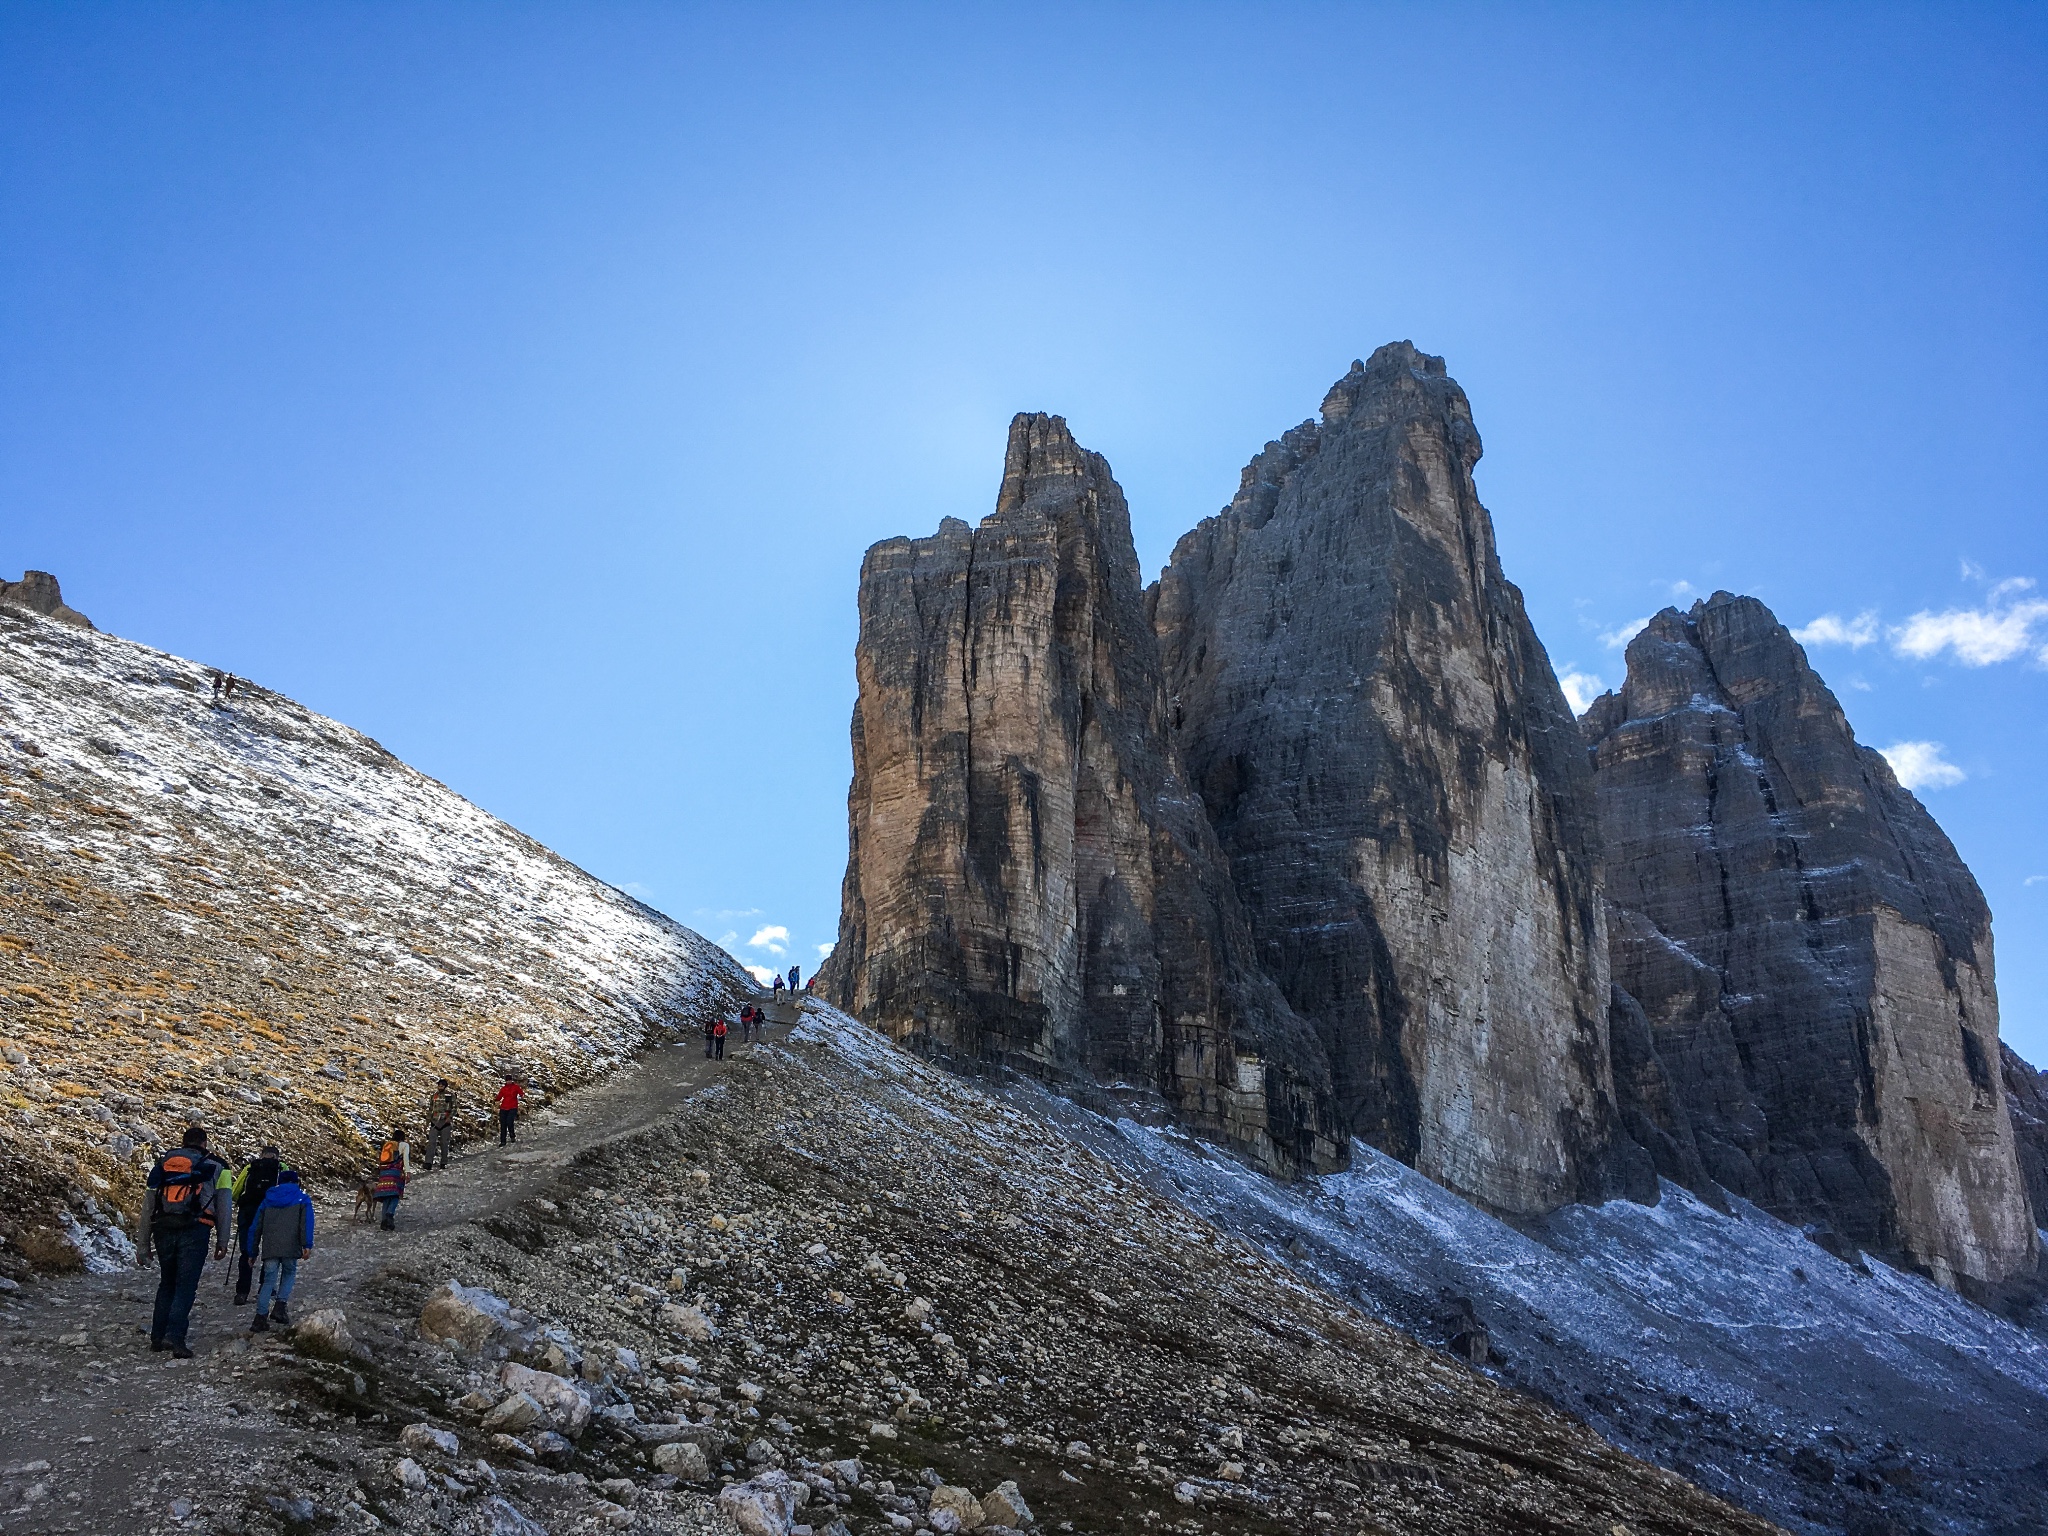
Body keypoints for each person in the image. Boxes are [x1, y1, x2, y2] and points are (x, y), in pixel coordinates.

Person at [137, 1125, 231, 1359]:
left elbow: (148, 1205)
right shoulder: (219, 1167)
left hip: (163, 1228)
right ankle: (175, 1336)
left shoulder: (163, 1164)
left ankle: (157, 1337)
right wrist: (223, 1240)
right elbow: (224, 1208)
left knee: (167, 1282)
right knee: (186, 1285)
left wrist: (143, 1244)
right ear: (204, 1144)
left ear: (183, 1142)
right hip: (196, 1229)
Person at [245, 1167, 314, 1332]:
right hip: (291, 1246)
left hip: (270, 1247)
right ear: (297, 1182)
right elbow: (306, 1224)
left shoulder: (267, 1200)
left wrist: (252, 1251)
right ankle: (280, 1308)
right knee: (289, 1273)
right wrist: (307, 1244)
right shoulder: (302, 1199)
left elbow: (255, 1227)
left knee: (268, 1280)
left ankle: (260, 1318)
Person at [230, 1144, 286, 1305]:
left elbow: (235, 1192)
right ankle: (265, 1287)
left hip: (248, 1212)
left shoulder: (250, 1167)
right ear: (277, 1156)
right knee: (270, 1251)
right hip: (272, 1213)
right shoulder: (282, 1168)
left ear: (262, 1155)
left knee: (246, 1251)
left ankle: (242, 1292)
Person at [373, 1128, 410, 1230]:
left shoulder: (387, 1145)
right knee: (395, 1195)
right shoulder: (404, 1145)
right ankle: (390, 1215)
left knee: (386, 1196)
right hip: (395, 1173)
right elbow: (405, 1159)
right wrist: (408, 1172)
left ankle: (384, 1221)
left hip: (384, 1172)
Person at [424, 1079, 457, 1169]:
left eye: (442, 1085)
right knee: (431, 1143)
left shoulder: (450, 1095)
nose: (440, 1087)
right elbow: (430, 1109)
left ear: (445, 1086)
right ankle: (428, 1162)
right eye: (439, 1085)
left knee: (444, 1143)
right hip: (434, 1122)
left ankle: (444, 1162)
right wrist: (427, 1122)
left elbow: (454, 1108)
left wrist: (449, 1117)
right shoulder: (434, 1096)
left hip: (445, 1122)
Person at [496, 1076, 527, 1144]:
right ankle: (503, 1141)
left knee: (509, 1122)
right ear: (506, 1081)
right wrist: (495, 1099)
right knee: (503, 1124)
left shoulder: (515, 1087)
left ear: (512, 1080)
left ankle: (512, 1135)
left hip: (513, 1107)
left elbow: (521, 1093)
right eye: (507, 1080)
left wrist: (522, 1096)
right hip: (503, 1108)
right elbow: (499, 1097)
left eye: (510, 1080)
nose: (509, 1081)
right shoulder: (503, 1089)